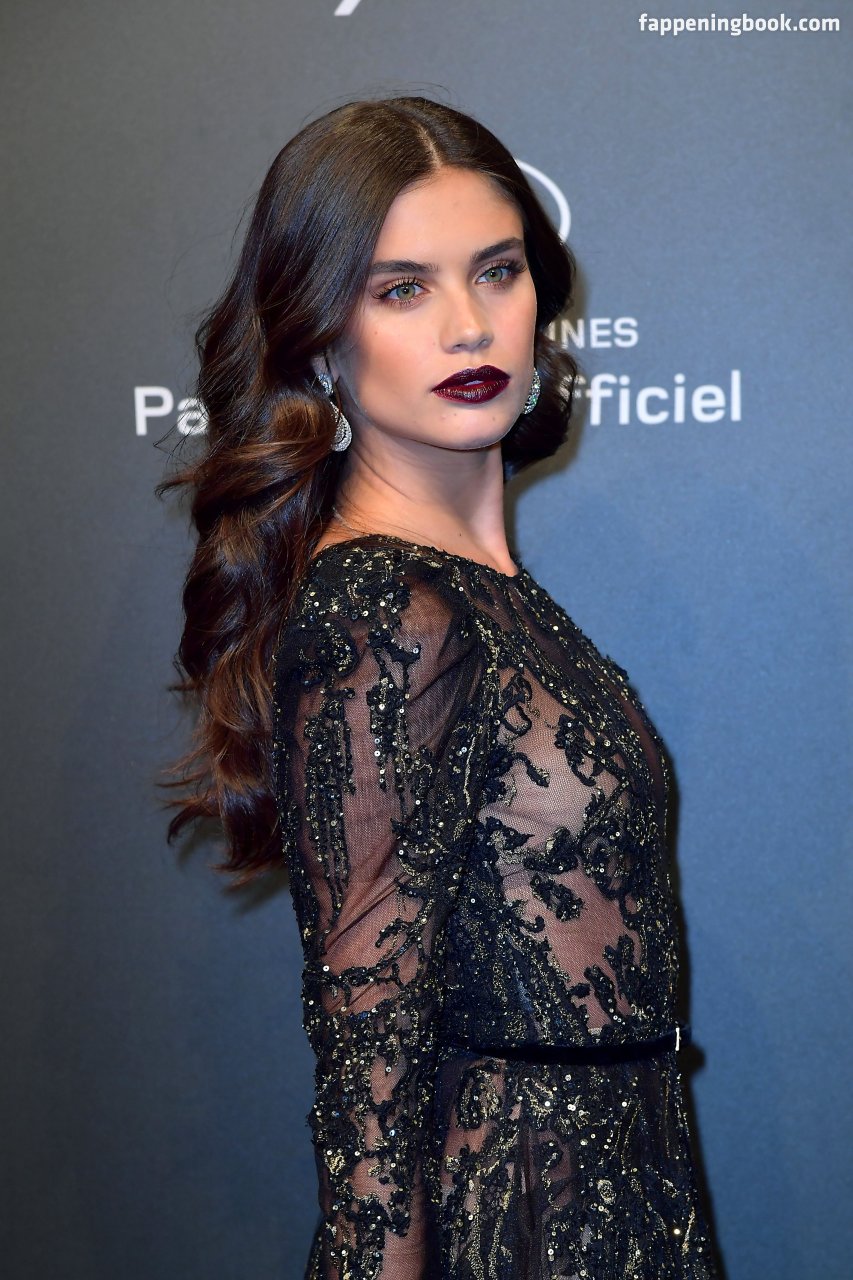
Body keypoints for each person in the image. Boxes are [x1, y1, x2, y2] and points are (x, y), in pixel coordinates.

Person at [159, 96, 720, 1278]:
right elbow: (369, 1062)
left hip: (623, 1201)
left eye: (496, 272)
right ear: (321, 338)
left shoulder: (480, 588)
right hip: (511, 1226)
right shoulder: (386, 610)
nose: (469, 325)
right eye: (401, 288)